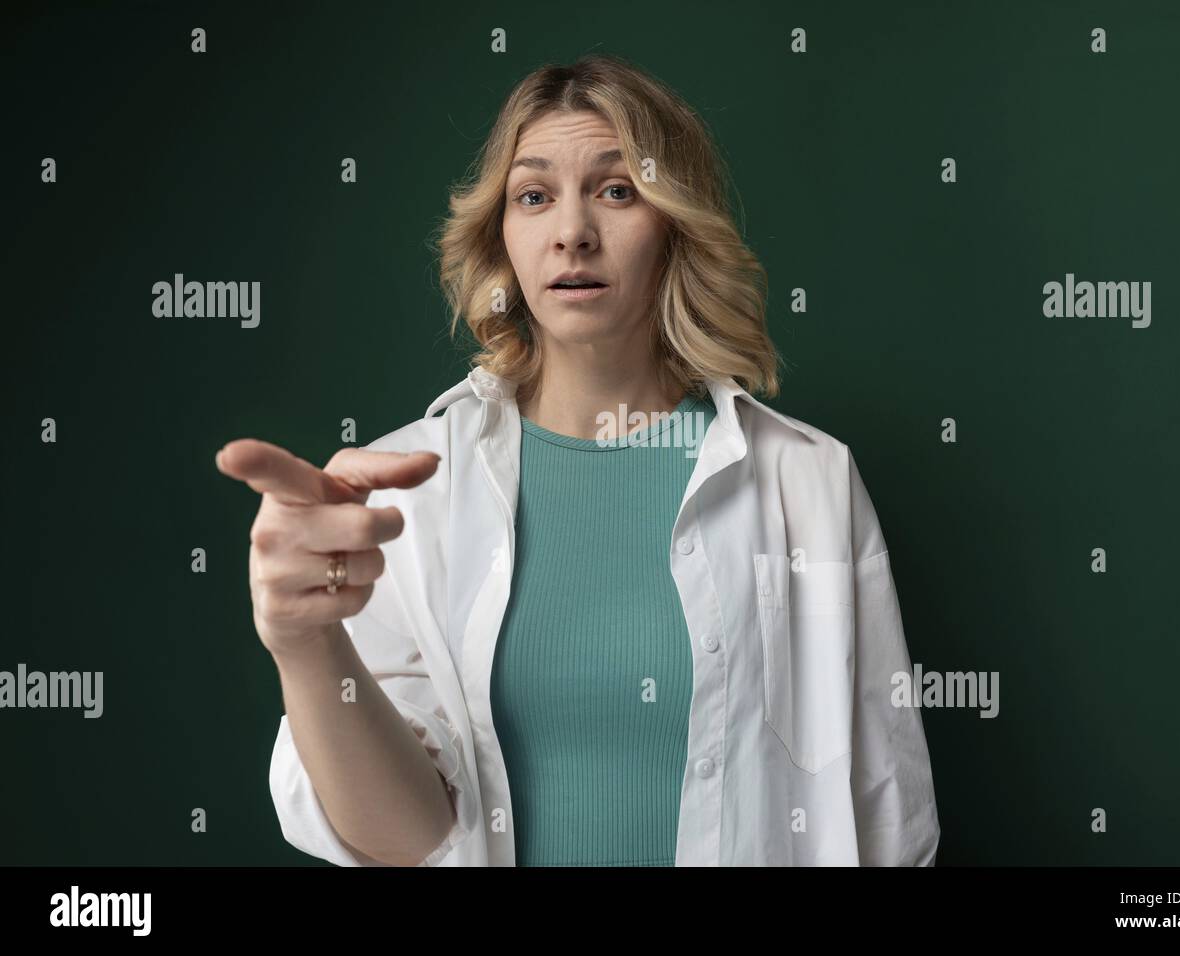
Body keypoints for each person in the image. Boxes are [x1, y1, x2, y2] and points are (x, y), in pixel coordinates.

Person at [215, 53, 939, 866]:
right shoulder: (402, 491)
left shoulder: (808, 480)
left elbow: (887, 815)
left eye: (617, 189)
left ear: (675, 222)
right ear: (503, 237)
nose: (572, 232)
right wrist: (302, 645)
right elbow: (406, 837)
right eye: (533, 196)